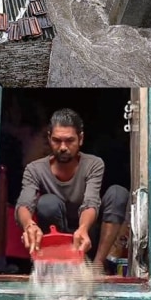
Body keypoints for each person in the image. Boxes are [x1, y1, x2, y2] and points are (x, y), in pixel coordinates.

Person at [15, 108, 130, 276]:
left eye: (69, 141)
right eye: (57, 141)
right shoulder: (35, 169)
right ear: (49, 139)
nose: (63, 147)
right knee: (47, 203)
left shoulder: (94, 164)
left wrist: (83, 228)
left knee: (118, 193)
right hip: (56, 232)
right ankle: (59, 262)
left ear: (80, 139)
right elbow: (24, 204)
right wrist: (29, 225)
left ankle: (97, 266)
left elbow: (91, 202)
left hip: (87, 235)